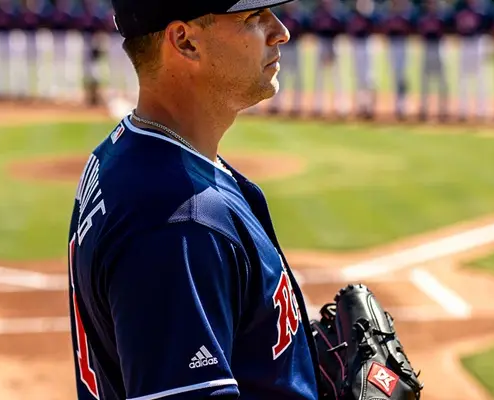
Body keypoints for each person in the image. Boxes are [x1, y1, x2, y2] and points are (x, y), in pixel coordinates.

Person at [65, 0, 322, 399]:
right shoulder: (179, 225)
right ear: (185, 42)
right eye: (253, 18)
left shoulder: (127, 152)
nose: (280, 31)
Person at [377, 0, 417, 120]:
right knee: (394, 75)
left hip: (402, 44)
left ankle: (401, 104)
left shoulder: (407, 12)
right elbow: (383, 27)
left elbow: (412, 25)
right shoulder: (387, 13)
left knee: (401, 76)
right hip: (392, 44)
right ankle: (397, 104)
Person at [453, 0, 491, 122]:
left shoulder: (483, 9)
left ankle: (482, 109)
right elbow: (454, 25)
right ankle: (463, 109)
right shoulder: (460, 7)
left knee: (481, 78)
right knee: (463, 77)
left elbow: (489, 26)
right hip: (465, 43)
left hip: (478, 42)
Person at [267, 1, 308, 116]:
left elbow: (305, 31)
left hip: (295, 47)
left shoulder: (300, 16)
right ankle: (277, 104)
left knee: (297, 77)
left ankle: (297, 105)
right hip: (283, 48)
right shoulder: (280, 16)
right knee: (279, 76)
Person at [416, 0, 451, 122]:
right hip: (427, 47)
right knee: (425, 80)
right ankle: (424, 108)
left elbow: (448, 31)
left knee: (442, 81)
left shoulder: (442, 17)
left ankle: (443, 109)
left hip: (438, 47)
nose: (431, 5)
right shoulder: (423, 18)